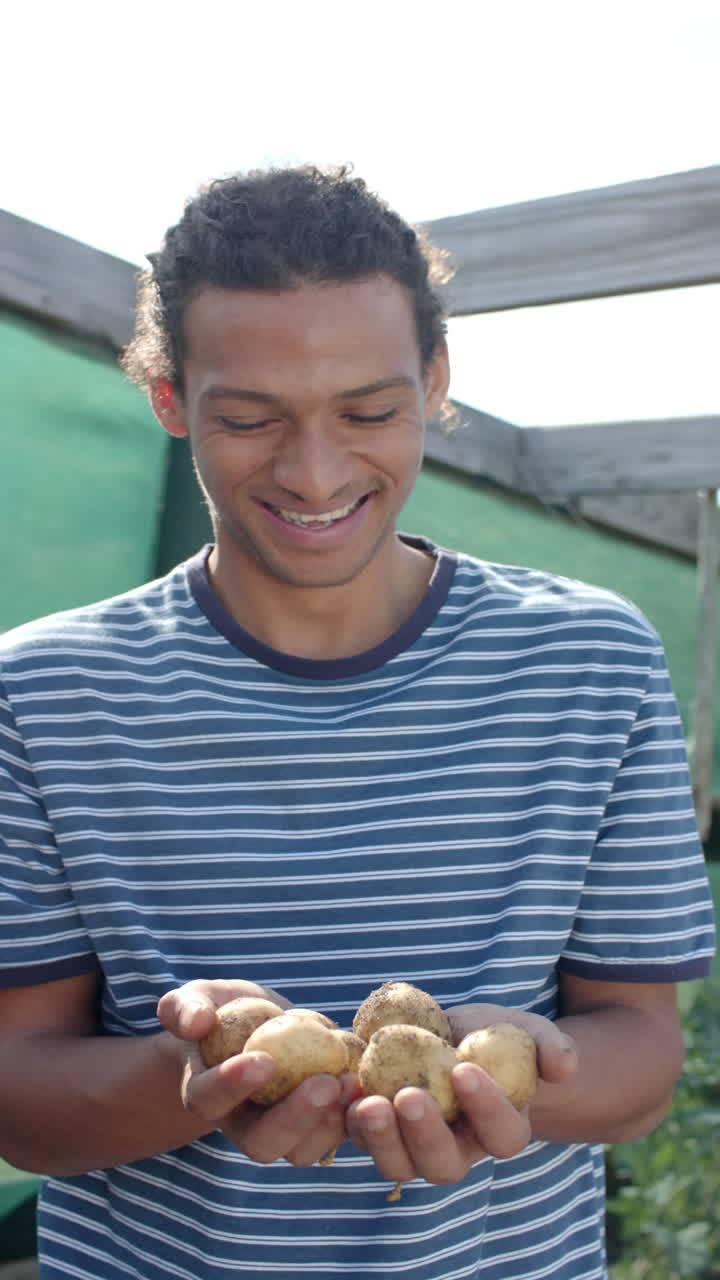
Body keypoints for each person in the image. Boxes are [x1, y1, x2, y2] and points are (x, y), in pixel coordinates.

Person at [0, 165, 715, 1280]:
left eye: (371, 410)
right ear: (169, 396)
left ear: (434, 379)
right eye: (249, 418)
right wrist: (194, 1081)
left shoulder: (590, 659)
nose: (317, 472)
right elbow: (19, 1094)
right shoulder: (43, 690)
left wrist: (520, 1060)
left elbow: (644, 1054)